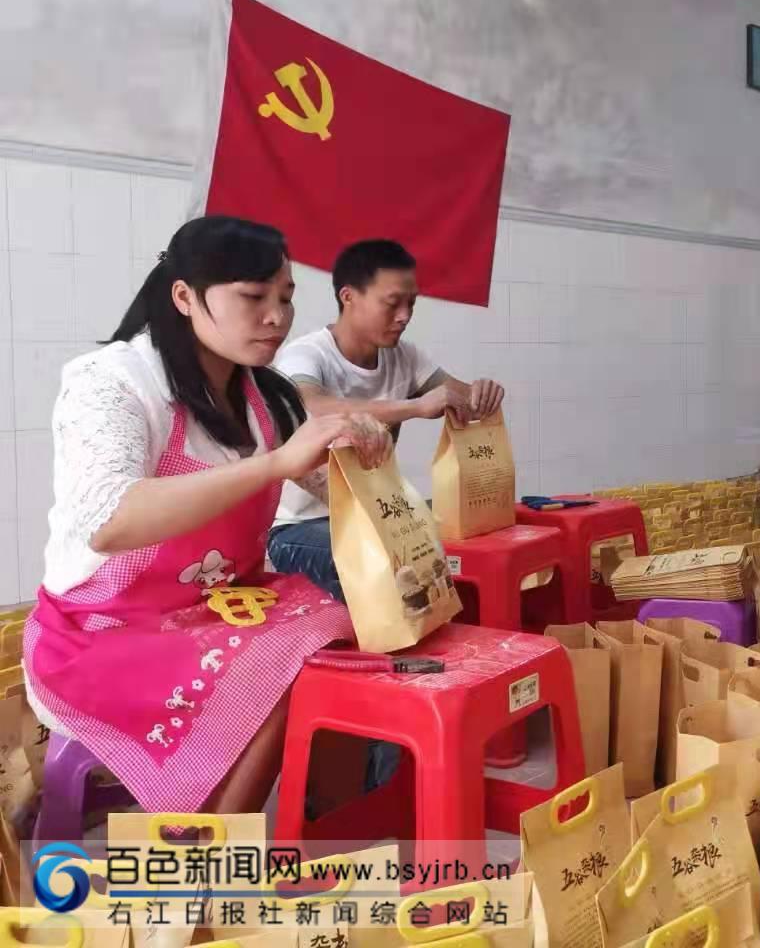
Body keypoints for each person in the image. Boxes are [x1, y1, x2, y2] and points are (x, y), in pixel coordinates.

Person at [22, 217, 386, 814]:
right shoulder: (112, 382)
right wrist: (274, 465)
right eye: (253, 297)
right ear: (185, 296)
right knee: (280, 670)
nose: (276, 317)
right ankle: (200, 856)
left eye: (286, 298)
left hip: (225, 608)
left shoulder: (265, 395)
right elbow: (110, 520)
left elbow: (324, 482)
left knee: (344, 639)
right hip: (102, 632)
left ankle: (324, 836)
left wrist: (362, 454)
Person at [267, 240, 505, 598]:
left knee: (460, 538)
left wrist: (480, 393)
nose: (404, 315)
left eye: (411, 304)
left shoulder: (406, 357)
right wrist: (415, 406)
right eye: (393, 303)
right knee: (388, 560)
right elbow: (314, 404)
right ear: (348, 297)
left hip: (376, 512)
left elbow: (462, 398)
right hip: (300, 527)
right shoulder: (306, 354)